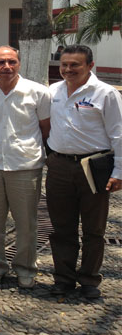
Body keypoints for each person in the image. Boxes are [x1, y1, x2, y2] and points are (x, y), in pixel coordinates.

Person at [46, 44, 122, 299]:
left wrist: (119, 172)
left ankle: (89, 280)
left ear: (90, 65)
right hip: (58, 166)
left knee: (93, 228)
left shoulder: (106, 93)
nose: (68, 69)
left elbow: (118, 134)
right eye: (64, 65)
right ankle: (63, 278)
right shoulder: (53, 91)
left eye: (75, 65)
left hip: (94, 167)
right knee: (61, 227)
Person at [0, 46, 51, 289]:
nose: (6, 66)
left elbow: (46, 129)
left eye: (11, 61)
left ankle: (25, 267)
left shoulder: (38, 92)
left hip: (25, 165)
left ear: (19, 63)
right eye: (0, 62)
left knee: (26, 222)